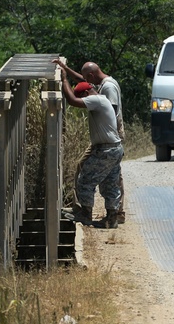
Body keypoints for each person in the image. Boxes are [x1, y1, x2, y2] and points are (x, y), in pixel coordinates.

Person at [54, 59, 127, 225]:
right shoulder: (99, 95)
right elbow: (83, 81)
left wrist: (64, 79)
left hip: (106, 149)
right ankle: (112, 218)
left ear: (87, 94)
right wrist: (66, 69)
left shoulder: (97, 100)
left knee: (85, 180)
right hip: (114, 148)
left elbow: (73, 100)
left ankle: (85, 214)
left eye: (83, 98)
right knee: (110, 184)